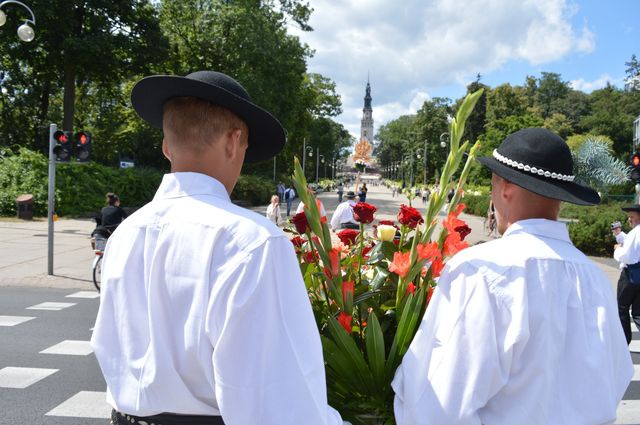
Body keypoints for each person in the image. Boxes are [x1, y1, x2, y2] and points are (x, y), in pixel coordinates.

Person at [91, 71, 344, 425]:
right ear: (233, 141)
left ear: (166, 146)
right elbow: (275, 398)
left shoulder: (125, 234)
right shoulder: (251, 242)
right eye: (245, 148)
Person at [393, 128, 632, 425]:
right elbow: (619, 375)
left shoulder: (480, 270)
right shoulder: (593, 277)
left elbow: (435, 403)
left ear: (504, 187)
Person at [614, 205, 640, 344]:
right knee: (637, 312)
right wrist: (620, 235)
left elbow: (628, 256)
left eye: (632, 216)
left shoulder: (636, 232)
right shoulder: (634, 233)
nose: (629, 219)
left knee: (622, 309)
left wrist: (618, 250)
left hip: (630, 275)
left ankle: (624, 342)